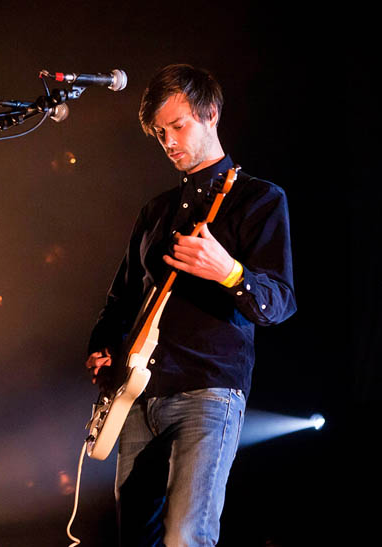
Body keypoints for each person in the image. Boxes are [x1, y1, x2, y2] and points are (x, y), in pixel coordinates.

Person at [85, 64, 296, 545]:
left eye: (178, 126)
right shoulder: (154, 211)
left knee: (186, 536)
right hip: (137, 396)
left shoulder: (258, 199)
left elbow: (279, 303)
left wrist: (230, 272)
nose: (170, 142)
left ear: (211, 114)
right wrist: (102, 346)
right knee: (134, 538)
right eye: (160, 134)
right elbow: (120, 297)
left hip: (209, 392)